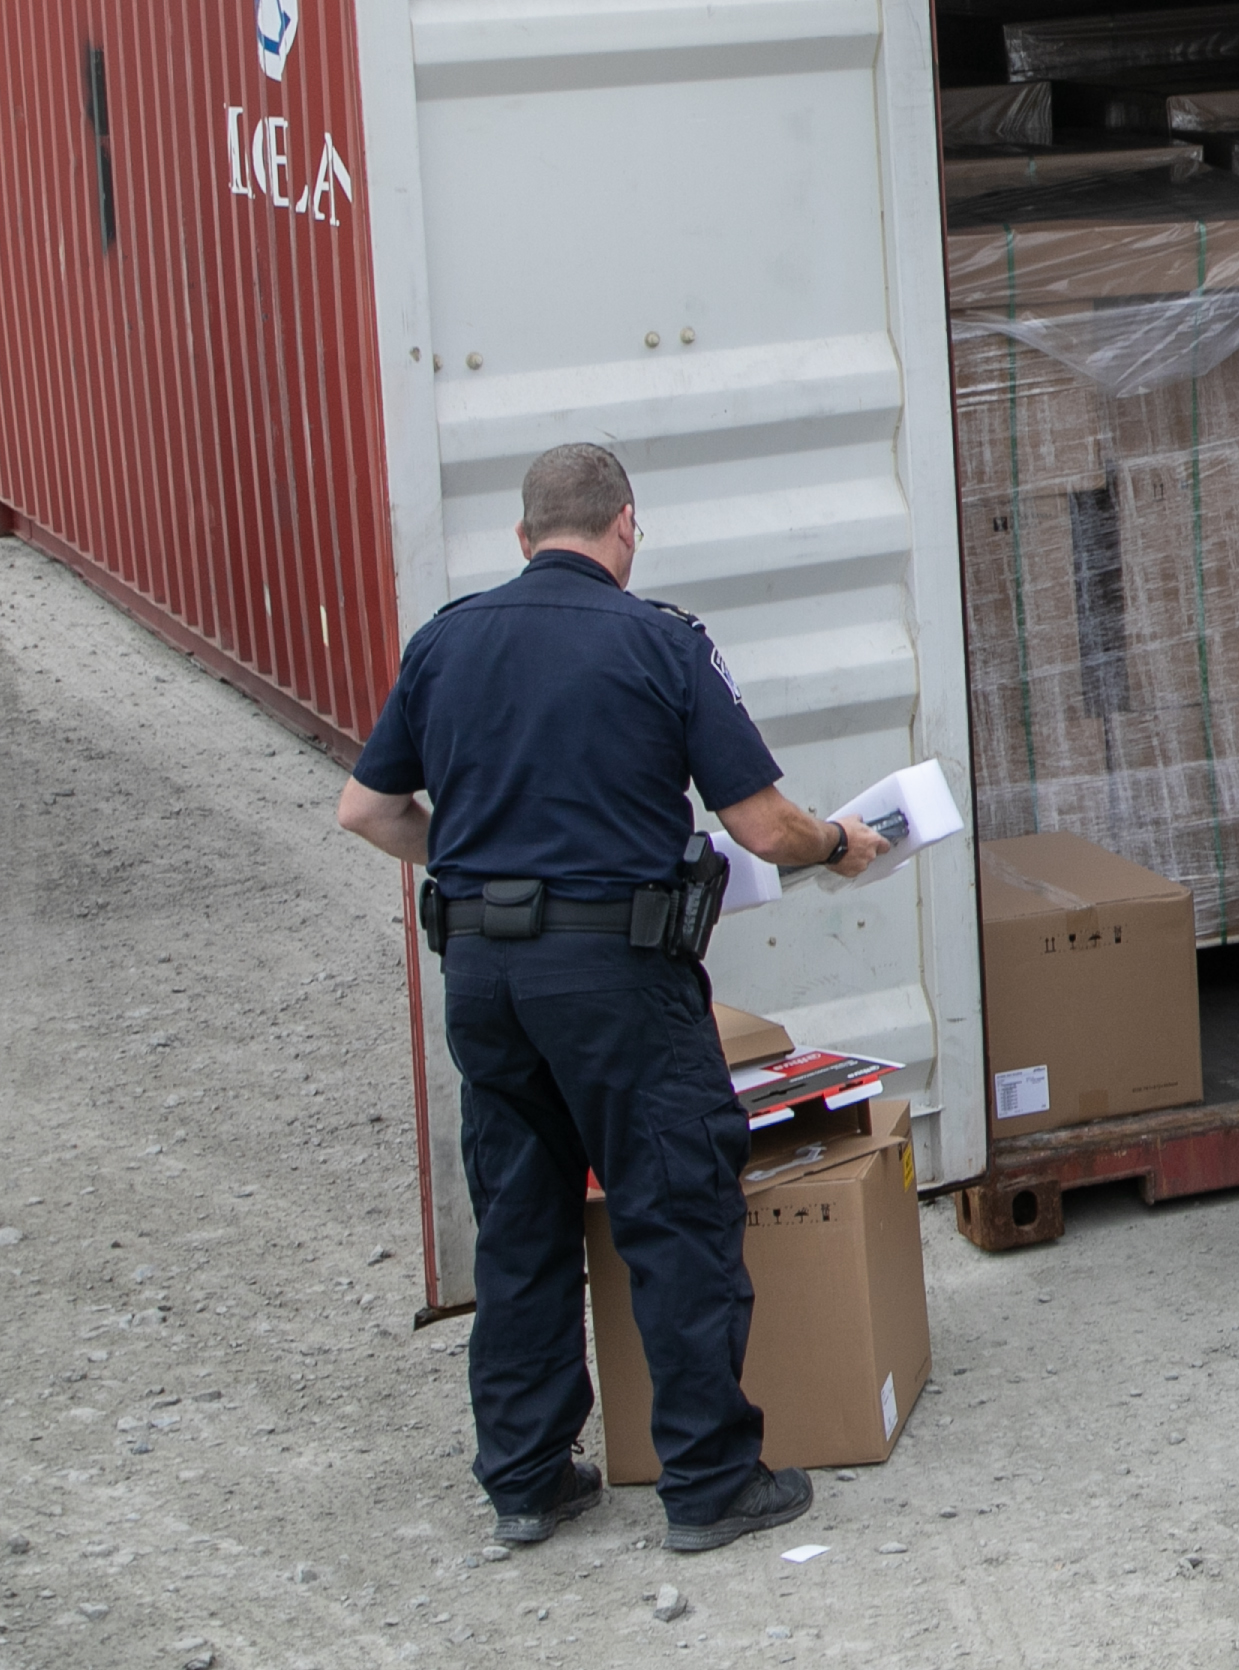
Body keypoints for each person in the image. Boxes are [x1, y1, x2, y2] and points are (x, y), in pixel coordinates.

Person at [334, 443, 888, 1556]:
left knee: (523, 1216)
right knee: (675, 1207)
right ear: (625, 527)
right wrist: (840, 842)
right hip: (615, 978)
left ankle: (529, 1480)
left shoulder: (443, 639)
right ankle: (709, 1480)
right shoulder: (657, 638)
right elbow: (762, 826)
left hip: (485, 975)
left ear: (524, 533)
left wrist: (488, 862)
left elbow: (367, 810)